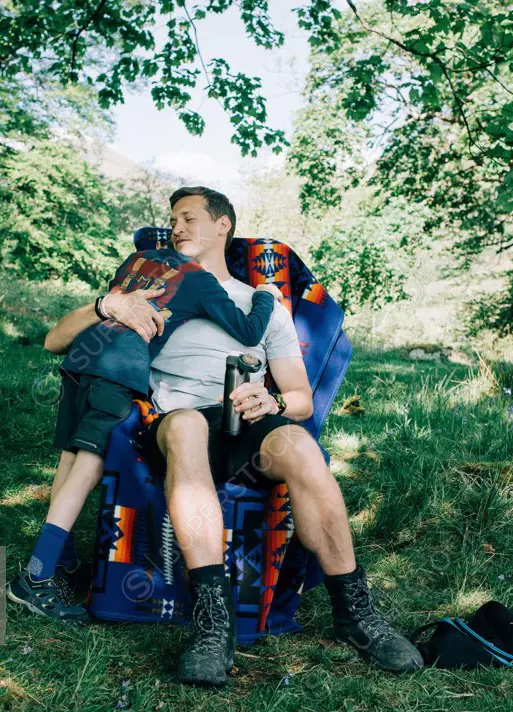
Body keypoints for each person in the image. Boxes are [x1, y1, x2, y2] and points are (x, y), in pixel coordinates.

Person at [43, 186, 424, 684]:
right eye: (173, 220)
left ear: (223, 225)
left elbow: (300, 396)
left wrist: (275, 403)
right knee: (186, 427)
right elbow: (57, 339)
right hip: (174, 422)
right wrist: (109, 305)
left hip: (246, 422)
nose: (178, 228)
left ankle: (357, 615)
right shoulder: (152, 291)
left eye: (190, 218)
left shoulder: (263, 305)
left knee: (302, 449)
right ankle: (213, 626)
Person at [7, 242, 284, 622]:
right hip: (119, 369)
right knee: (88, 466)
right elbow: (248, 330)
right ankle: (36, 577)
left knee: (69, 459)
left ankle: (62, 560)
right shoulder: (200, 280)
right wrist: (267, 296)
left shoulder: (138, 261)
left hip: (83, 358)